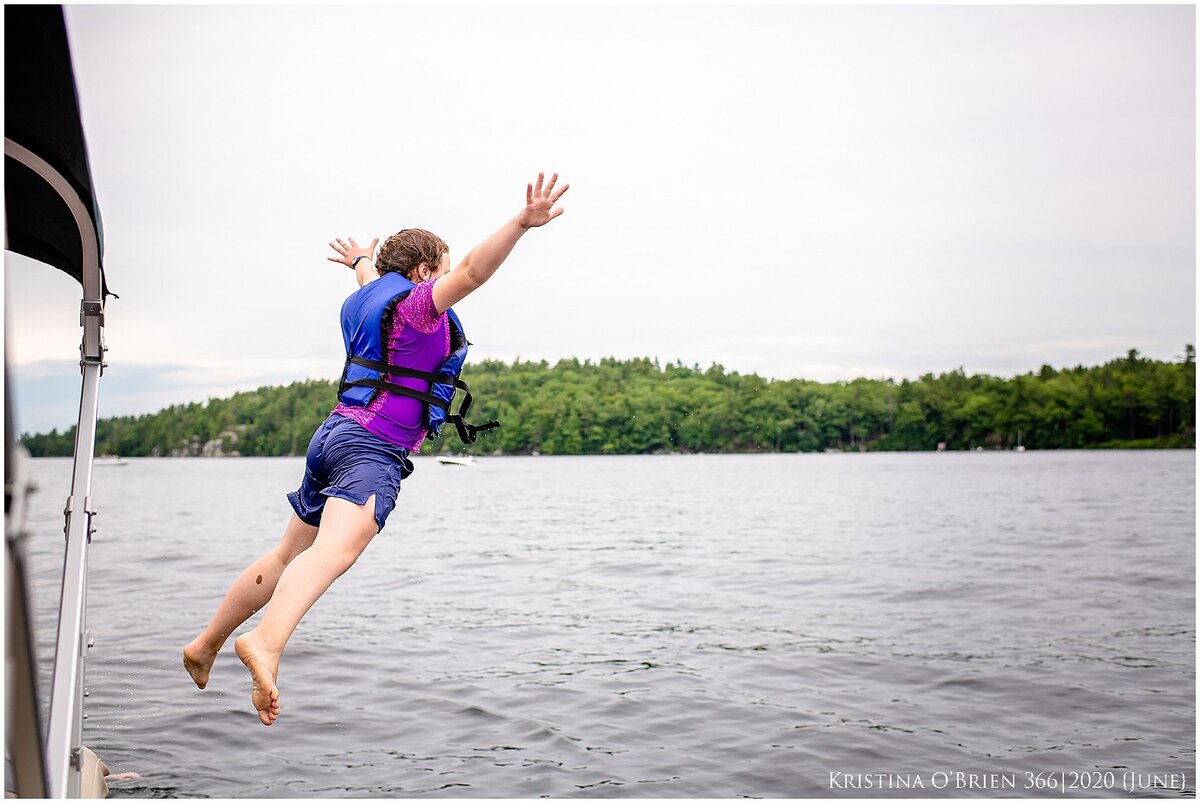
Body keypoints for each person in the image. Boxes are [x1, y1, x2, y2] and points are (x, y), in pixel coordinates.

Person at [183, 172, 569, 725]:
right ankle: (264, 643)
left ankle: (205, 644)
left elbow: (373, 278)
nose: (441, 281)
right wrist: (520, 224)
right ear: (422, 273)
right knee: (336, 551)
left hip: (332, 436)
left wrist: (362, 261)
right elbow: (473, 272)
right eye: (437, 270)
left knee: (286, 554)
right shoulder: (417, 306)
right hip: (372, 446)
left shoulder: (365, 298)